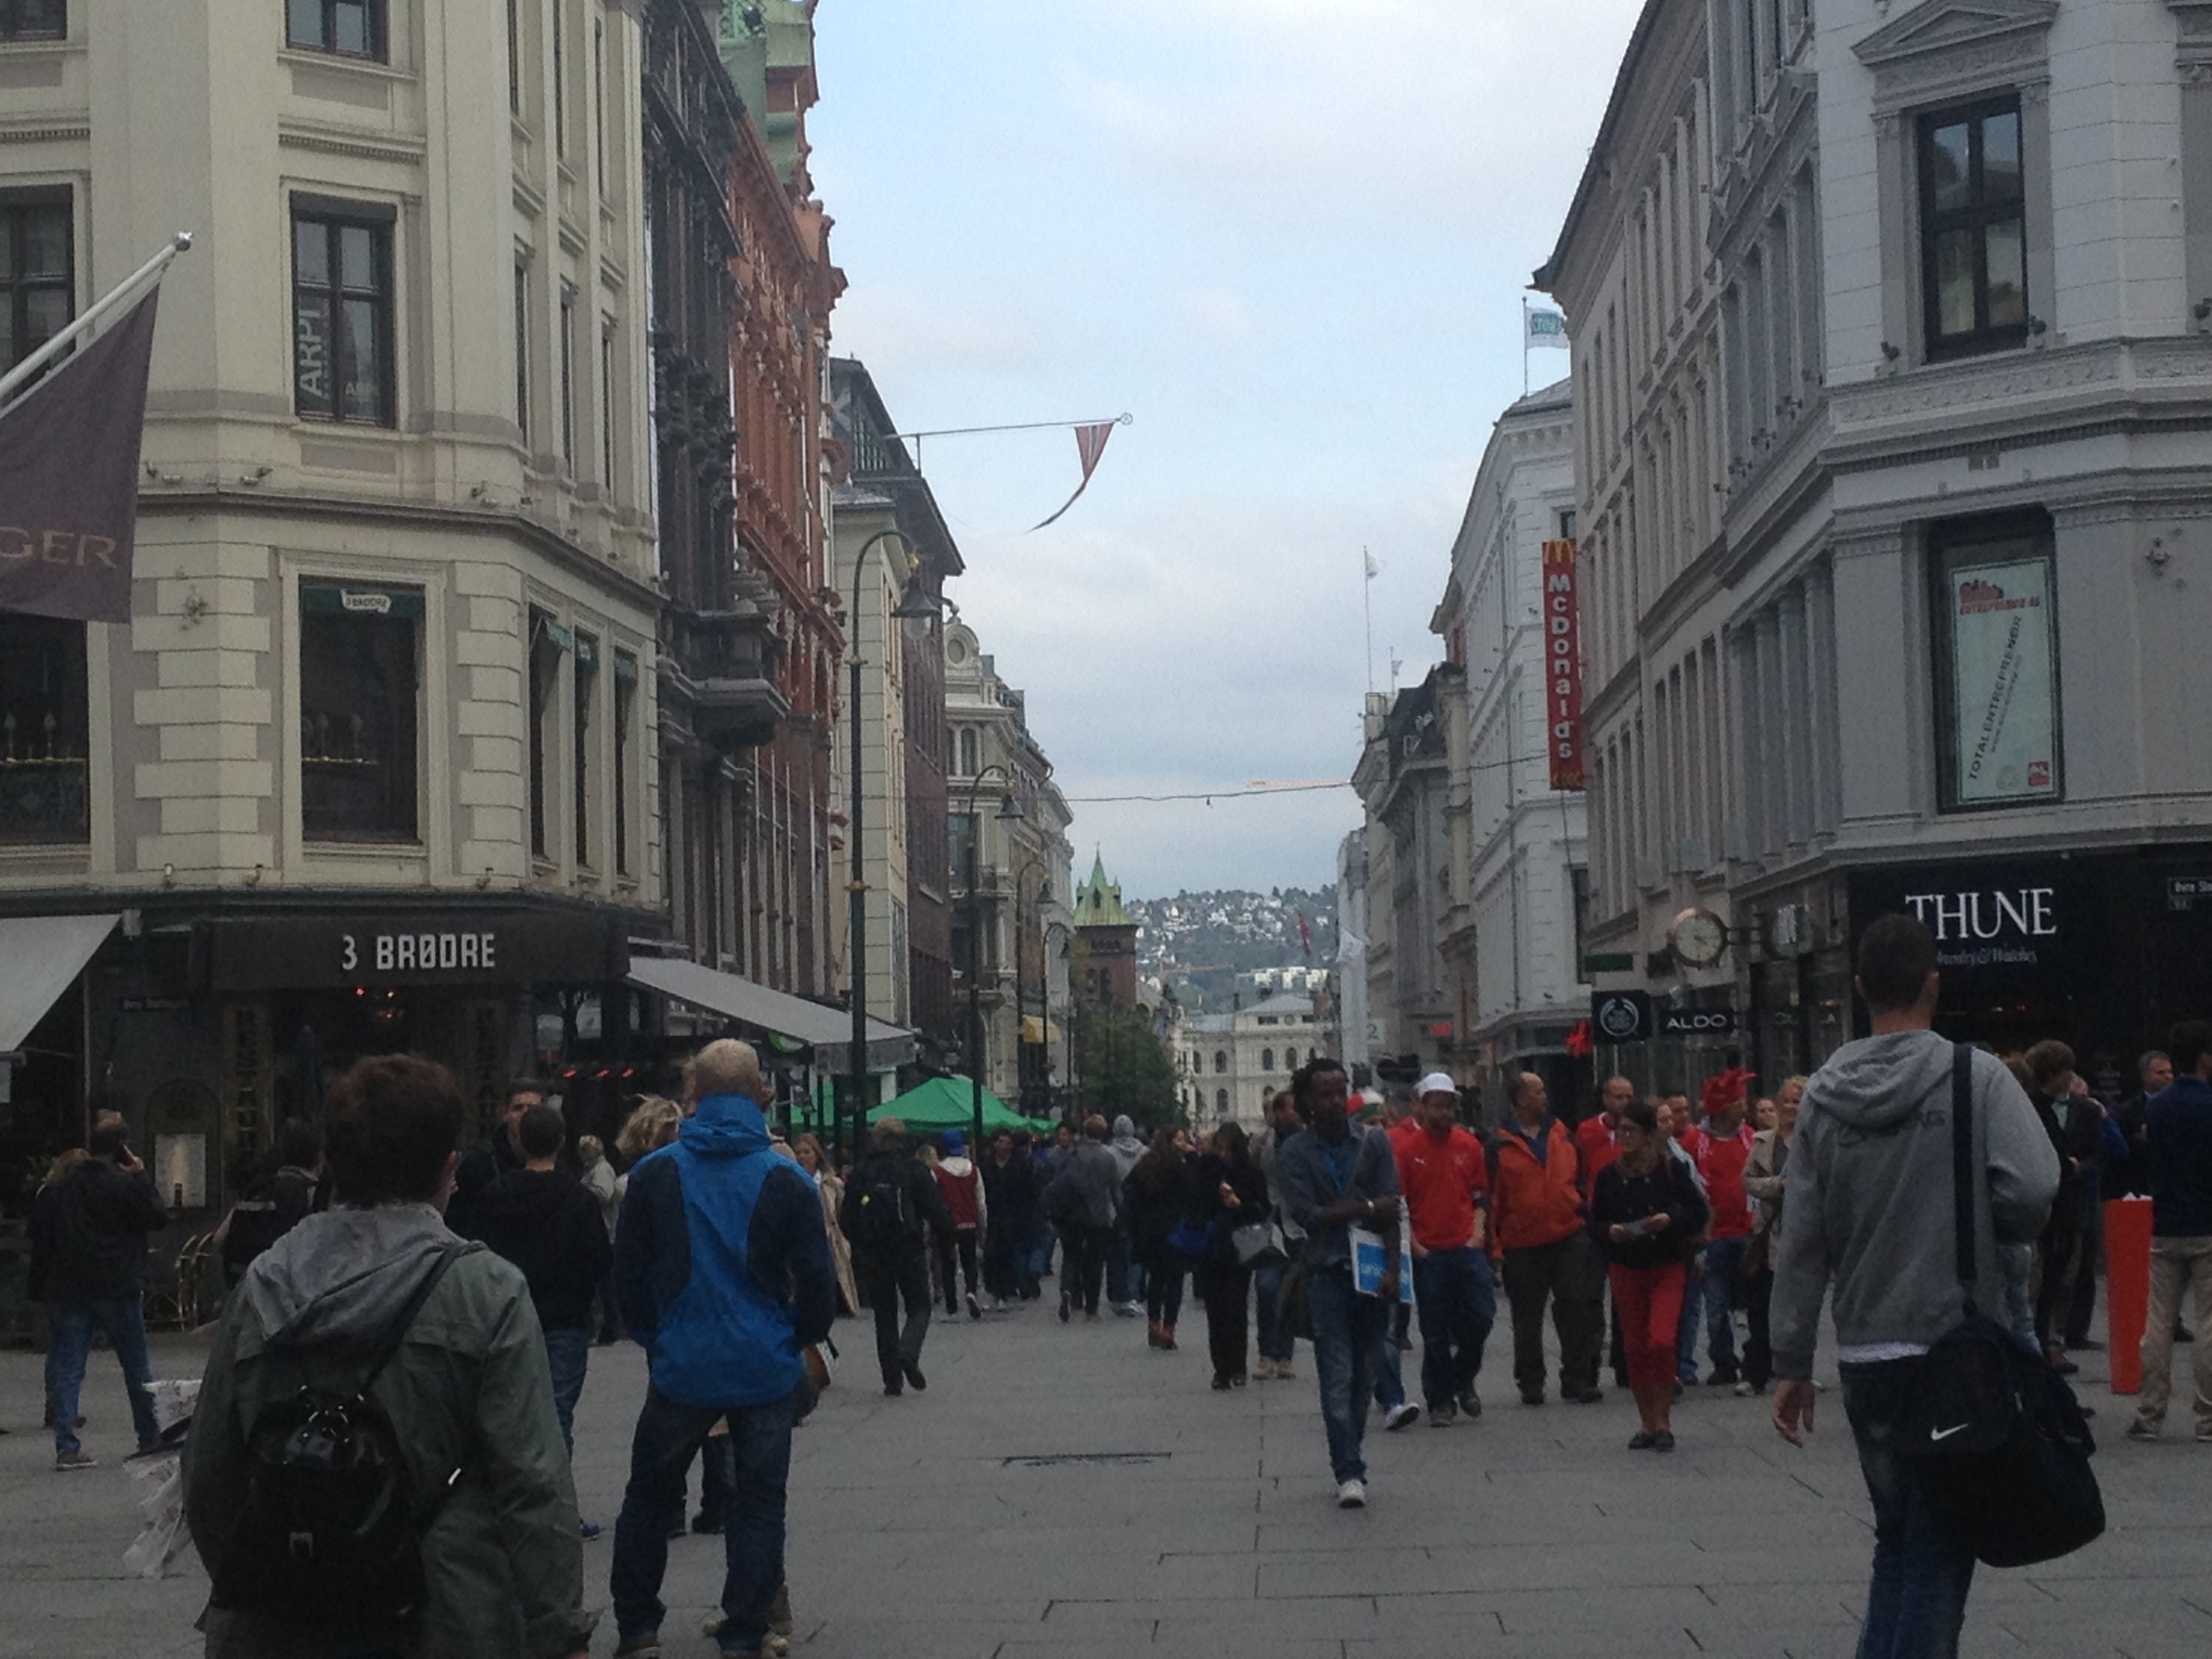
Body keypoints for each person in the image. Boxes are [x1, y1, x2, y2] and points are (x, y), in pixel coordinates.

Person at [184, 1054, 592, 1659]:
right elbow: (532, 1484)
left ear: (331, 1163)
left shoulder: (263, 1284)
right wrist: (559, 1632)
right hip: (447, 1612)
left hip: (281, 1619)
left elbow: (209, 1473)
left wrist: (270, 1578)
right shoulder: (487, 1290)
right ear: (447, 1170)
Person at [1771, 913, 2058, 1659]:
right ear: (1935, 983)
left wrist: (1792, 1362)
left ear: (1861, 988)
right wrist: (1975, 1215)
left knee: (1897, 1539)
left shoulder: (1825, 1097)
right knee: (1938, 1553)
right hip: (1952, 1349)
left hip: (1868, 1355)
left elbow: (1801, 1241)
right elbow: (2032, 1190)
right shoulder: (1977, 1076)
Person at [611, 1039, 836, 1659]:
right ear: (761, 1092)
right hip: (764, 1362)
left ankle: (638, 1629)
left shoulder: (656, 1175)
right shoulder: (789, 1179)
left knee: (648, 1496)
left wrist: (657, 1341)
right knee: (760, 1504)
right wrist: (794, 1336)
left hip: (682, 1363)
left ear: (695, 1095)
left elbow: (627, 1282)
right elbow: (818, 1287)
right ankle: (743, 1630)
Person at [1277, 1056, 1403, 1507]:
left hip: (1371, 1276)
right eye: (1324, 1094)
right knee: (1337, 1376)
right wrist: (1368, 1208)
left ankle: (1352, 1451)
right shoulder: (1294, 1152)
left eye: (1339, 1092)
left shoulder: (1374, 1144)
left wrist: (1393, 1271)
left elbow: (1394, 1209)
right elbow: (1309, 1216)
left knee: (1365, 1375)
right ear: (1309, 1100)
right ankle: (1349, 1471)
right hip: (1326, 1273)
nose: (1334, 1102)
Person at [464, 1103, 613, 1479]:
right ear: (562, 1142)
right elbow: (598, 1258)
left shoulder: (494, 1196)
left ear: (519, 1142)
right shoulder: (578, 1199)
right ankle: (555, 1498)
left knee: (510, 1412)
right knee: (558, 1412)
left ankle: (516, 1494)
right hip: (565, 1319)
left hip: (507, 1318)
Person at [33, 1118, 166, 1469]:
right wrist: (140, 1174)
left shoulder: (64, 1187)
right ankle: (150, 1437)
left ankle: (67, 1445)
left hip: (73, 1286)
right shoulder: (123, 1184)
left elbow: (51, 1234)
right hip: (119, 1285)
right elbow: (156, 1216)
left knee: (70, 1368)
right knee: (137, 1367)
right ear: (122, 1147)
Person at [1589, 1099, 1708, 1452]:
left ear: (1649, 1134)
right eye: (1620, 1130)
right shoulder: (1609, 1176)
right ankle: (1647, 1423)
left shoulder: (1670, 1170)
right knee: (1636, 1347)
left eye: (1632, 1130)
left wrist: (1670, 1220)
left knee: (1661, 1340)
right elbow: (1594, 1222)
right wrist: (1611, 1231)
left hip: (1666, 1264)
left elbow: (1698, 1212)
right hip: (1626, 1267)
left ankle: (1664, 1419)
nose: (1625, 1137)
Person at [1488, 1073, 1601, 1408]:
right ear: (1521, 1099)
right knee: (1527, 1316)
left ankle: (1577, 1378)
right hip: (1522, 1241)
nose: (1544, 1096)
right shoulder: (1499, 1144)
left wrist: (1580, 1208)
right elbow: (1493, 1198)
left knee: (1575, 1307)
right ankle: (1531, 1381)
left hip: (1568, 1233)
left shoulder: (1562, 1133)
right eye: (1538, 1091)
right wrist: (1494, 1245)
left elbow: (1582, 1176)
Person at [1391, 1073, 1495, 1426]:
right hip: (1429, 1251)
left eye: (1449, 1106)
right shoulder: (1407, 1151)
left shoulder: (1469, 1145)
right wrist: (1415, 1246)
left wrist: (1478, 1234)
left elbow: (1481, 1194)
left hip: (1466, 1246)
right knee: (1434, 1331)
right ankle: (1441, 1400)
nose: (1444, 1113)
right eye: (1437, 1106)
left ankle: (1461, 1378)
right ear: (1422, 1108)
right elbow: (1399, 1203)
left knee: (1480, 1317)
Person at [2128, 1019, 2212, 1442]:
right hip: (2208, 1225)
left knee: (2158, 1322)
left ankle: (2150, 1413)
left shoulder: (2157, 1107)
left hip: (2166, 1225)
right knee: (2209, 1321)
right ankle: (2208, 1418)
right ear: (2204, 1058)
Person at [841, 1118, 953, 1395]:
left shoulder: (862, 1172)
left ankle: (892, 1380)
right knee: (919, 1306)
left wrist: (861, 1244)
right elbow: (937, 1211)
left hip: (874, 1253)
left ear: (875, 1139)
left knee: (884, 1313)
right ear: (902, 1141)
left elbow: (847, 1218)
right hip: (909, 1249)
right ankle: (909, 1350)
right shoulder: (913, 1170)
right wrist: (946, 1241)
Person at [2024, 1040, 2102, 1372]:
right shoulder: (2032, 1109)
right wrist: (2067, 1166)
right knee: (2043, 1286)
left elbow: (2098, 1154)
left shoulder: (2085, 1109)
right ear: (2054, 1073)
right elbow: (2053, 1158)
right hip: (2046, 1211)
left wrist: (2077, 1167)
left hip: (2070, 1206)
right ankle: (2042, 1350)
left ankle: (2053, 1343)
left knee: (2064, 1279)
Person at [1687, 1071, 1758, 1387]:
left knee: (1755, 1301)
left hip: (1749, 1234)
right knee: (1716, 1306)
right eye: (1737, 1103)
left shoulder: (1751, 1138)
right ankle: (1724, 1360)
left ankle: (1758, 1356)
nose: (1743, 1109)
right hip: (1713, 1238)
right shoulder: (1695, 1143)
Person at [1739, 1074, 1805, 1395]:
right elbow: (1749, 1181)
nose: (1792, 1107)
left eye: (1799, 1101)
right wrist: (1776, 1186)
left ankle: (1797, 1370)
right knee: (1762, 1307)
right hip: (1770, 1233)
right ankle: (1756, 1371)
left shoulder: (1818, 1140)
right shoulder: (1764, 1141)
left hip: (1805, 1232)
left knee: (1800, 1309)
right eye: (1788, 1101)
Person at [1193, 1121, 1270, 1389]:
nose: (1223, 1154)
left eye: (1228, 1148)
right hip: (1212, 1248)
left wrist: (1240, 1205)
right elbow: (1195, 1206)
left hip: (1240, 1247)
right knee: (1215, 1310)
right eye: (1220, 1148)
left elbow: (1262, 1209)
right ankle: (1220, 1368)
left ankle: (1238, 1364)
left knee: (1236, 1307)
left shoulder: (1249, 1174)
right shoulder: (1207, 1172)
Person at [219, 1118, 325, 1288]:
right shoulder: (312, 1194)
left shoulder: (258, 1188)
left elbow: (219, 1239)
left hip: (242, 1287)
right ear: (320, 1157)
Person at [1580, 1076, 1633, 1386]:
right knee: (1591, 1297)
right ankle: (1588, 1368)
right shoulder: (1587, 1131)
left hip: (1628, 1221)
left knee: (1625, 1296)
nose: (1624, 1103)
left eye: (1629, 1097)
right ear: (1606, 1100)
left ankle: (1625, 1364)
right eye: (1618, 1097)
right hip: (1596, 1221)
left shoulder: (1637, 1131)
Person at [1122, 1128, 1196, 1351]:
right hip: (1175, 1232)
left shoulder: (1145, 1165)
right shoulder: (1179, 1167)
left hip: (1150, 1232)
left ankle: (1154, 1325)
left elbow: (1127, 1188)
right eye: (1180, 1139)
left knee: (1155, 1279)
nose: (1183, 1143)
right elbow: (1195, 1189)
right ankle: (1169, 1329)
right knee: (1175, 1282)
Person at [1251, 1089, 1307, 1380]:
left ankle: (1284, 1354)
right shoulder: (1262, 1142)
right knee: (1266, 1288)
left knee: (1291, 1292)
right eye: (1293, 1109)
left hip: (1297, 1227)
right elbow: (1249, 1176)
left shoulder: (1309, 1141)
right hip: (1269, 1223)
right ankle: (1266, 1353)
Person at [1044, 1116, 1122, 1322]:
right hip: (1098, 1217)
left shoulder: (1071, 1155)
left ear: (1084, 1133)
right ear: (1103, 1133)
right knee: (1095, 1263)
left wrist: (1052, 1213)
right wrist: (1123, 1217)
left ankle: (1069, 1290)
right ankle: (1091, 1308)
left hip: (1072, 1215)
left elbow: (1057, 1186)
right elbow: (1116, 1193)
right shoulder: (1107, 1158)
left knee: (1071, 1257)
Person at [447, 1078, 546, 1238]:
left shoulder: (558, 1165)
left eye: (533, 1108)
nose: (525, 1114)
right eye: (518, 1108)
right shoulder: (479, 1164)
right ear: (505, 1114)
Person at [792, 1134, 859, 1316]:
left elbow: (841, 1211)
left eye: (807, 1152)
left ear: (817, 1154)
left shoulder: (831, 1182)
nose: (802, 1157)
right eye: (798, 1152)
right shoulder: (792, 1181)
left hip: (830, 1234)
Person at [979, 1128, 1038, 1311]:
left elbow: (1030, 1190)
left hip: (1014, 1215)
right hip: (992, 1215)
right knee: (991, 1255)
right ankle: (995, 1291)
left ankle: (1004, 1291)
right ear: (994, 1144)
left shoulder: (1020, 1164)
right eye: (1001, 1142)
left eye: (1007, 1142)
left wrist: (1028, 1212)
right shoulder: (986, 1165)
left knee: (1007, 1254)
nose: (1005, 1146)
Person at [930, 1131, 986, 1322]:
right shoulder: (974, 1170)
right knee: (970, 1262)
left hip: (947, 1224)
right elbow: (981, 1202)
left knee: (948, 1265)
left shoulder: (937, 1171)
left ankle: (951, 1306)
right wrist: (982, 1227)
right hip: (969, 1222)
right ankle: (971, 1291)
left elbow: (934, 1200)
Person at [579, 1134, 623, 1345]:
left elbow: (605, 1195)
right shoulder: (591, 1169)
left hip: (606, 1233)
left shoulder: (601, 1170)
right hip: (599, 1231)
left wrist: (584, 1193)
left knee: (605, 1286)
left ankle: (609, 1328)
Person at [2112, 1050, 2174, 1200]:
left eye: (2170, 1072)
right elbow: (2120, 1152)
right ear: (2145, 1076)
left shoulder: (2183, 1106)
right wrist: (2140, 1139)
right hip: (2140, 1188)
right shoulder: (2127, 1111)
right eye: (2160, 1073)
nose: (2168, 1077)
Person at [1106, 1114, 1149, 1315]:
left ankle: (1119, 1296)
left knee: (1117, 1255)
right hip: (1139, 1211)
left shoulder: (1109, 1153)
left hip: (1116, 1211)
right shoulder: (1145, 1153)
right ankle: (1134, 1296)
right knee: (1137, 1256)